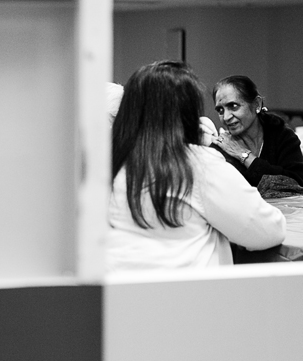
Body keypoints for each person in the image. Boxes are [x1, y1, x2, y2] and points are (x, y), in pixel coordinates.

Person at [106, 61, 286, 271]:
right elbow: (266, 230)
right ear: (187, 113)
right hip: (188, 296)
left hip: (119, 295)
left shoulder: (110, 166)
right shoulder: (199, 164)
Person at [211, 75, 303, 187]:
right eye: (220, 110)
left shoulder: (282, 136)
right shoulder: (220, 149)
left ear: (257, 104)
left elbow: (297, 184)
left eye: (233, 106)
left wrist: (244, 155)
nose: (226, 117)